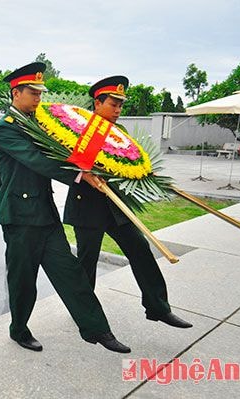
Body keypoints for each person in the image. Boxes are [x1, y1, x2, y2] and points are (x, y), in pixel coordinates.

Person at [0, 62, 129, 353]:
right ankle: (19, 329)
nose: (39, 98)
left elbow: (66, 147)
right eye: (33, 93)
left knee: (72, 275)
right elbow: (36, 159)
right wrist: (80, 175)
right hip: (19, 218)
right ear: (16, 93)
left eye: (40, 93)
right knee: (23, 282)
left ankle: (98, 331)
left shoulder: (40, 122)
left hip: (45, 215)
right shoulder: (5, 129)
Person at [63, 76, 193, 329]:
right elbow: (63, 165)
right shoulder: (78, 128)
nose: (118, 110)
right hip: (87, 206)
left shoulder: (119, 132)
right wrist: (83, 173)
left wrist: (145, 172)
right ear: (97, 103)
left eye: (121, 106)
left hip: (116, 207)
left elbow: (129, 162)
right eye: (113, 104)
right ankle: (83, 311)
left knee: (140, 250)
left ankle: (158, 307)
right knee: (86, 263)